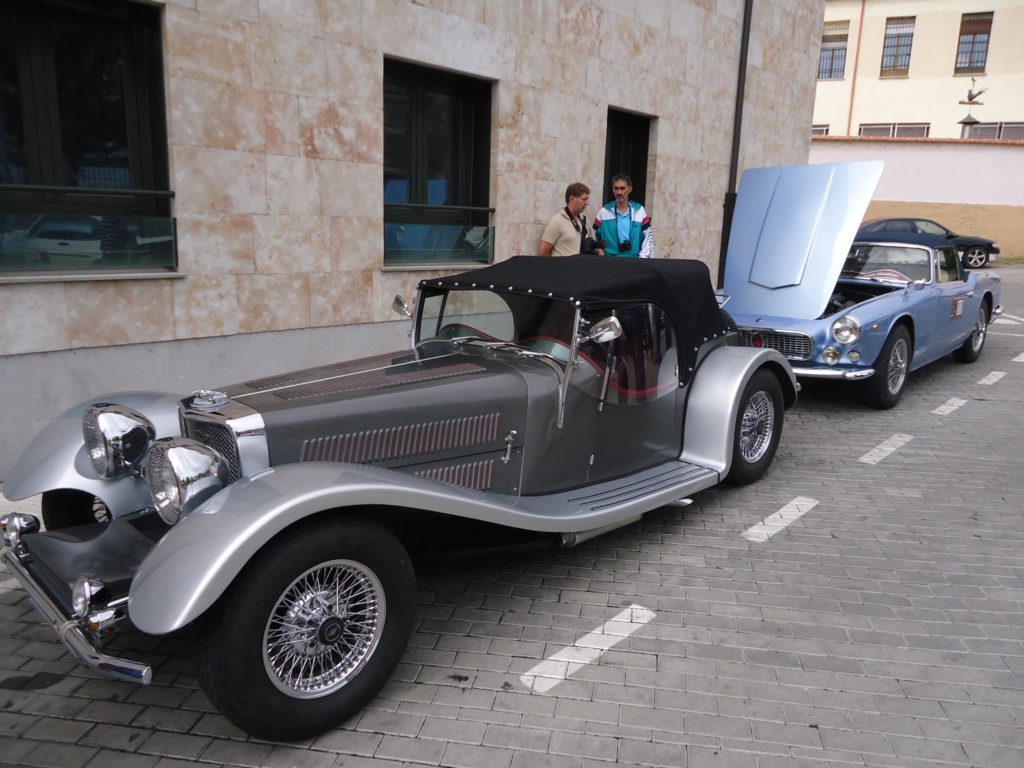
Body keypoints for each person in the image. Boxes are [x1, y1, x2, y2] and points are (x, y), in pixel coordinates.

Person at [593, 174, 653, 258]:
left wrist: (642, 259)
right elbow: (594, 237)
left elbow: (648, 239)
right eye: (616, 188)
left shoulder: (639, 211)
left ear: (630, 189)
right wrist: (600, 252)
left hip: (634, 263)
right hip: (609, 263)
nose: (619, 192)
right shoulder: (603, 212)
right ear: (612, 190)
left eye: (622, 188)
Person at [538, 182, 593, 257]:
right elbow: (543, 251)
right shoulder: (557, 221)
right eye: (584, 199)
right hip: (563, 268)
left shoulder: (585, 220)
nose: (587, 203)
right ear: (572, 198)